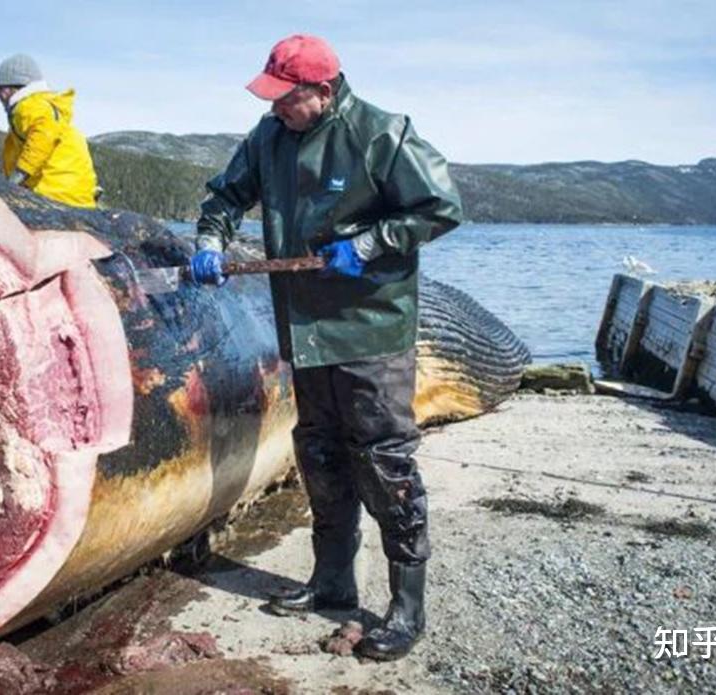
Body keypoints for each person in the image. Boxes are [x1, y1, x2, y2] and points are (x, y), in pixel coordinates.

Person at [190, 34, 463, 661]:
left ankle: (406, 605)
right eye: (272, 97)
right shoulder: (268, 137)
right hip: (304, 328)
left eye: (287, 98)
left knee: (384, 460)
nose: (277, 108)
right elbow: (226, 195)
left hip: (371, 327)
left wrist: (368, 245)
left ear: (324, 90)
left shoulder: (381, 135)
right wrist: (210, 240)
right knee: (318, 451)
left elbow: (441, 207)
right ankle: (332, 582)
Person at [0, 54, 99, 209]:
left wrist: (17, 178)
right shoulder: (43, 106)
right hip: (72, 194)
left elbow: (42, 139)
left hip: (56, 196)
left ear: (16, 87)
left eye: (0, 89)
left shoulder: (30, 107)